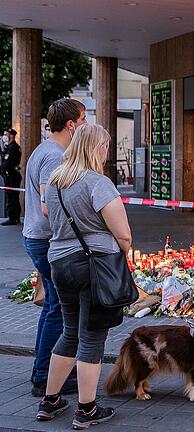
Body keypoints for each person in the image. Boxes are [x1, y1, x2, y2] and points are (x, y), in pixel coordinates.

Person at [36, 123, 129, 428]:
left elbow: (51, 220)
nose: (107, 152)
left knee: (69, 331)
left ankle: (50, 401)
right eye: (105, 146)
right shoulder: (97, 183)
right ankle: (86, 409)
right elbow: (123, 235)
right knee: (92, 338)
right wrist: (123, 251)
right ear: (96, 148)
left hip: (60, 263)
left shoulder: (56, 182)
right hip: (93, 265)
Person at [23, 98, 87, 397]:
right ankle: (45, 377)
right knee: (59, 309)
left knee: (52, 307)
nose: (85, 125)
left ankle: (42, 370)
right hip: (46, 239)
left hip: (35, 237)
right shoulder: (55, 155)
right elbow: (50, 205)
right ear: (71, 124)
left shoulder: (43, 149)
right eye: (83, 120)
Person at [1, 129, 22, 225]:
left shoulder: (13, 148)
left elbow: (8, 163)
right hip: (11, 174)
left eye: (6, 134)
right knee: (13, 196)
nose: (4, 136)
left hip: (11, 175)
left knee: (11, 197)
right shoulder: (9, 147)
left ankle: (12, 217)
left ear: (12, 136)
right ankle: (15, 217)